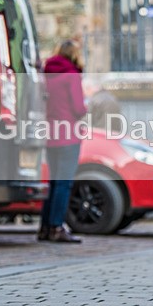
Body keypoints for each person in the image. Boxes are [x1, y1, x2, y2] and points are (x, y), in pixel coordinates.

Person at [39, 40, 86, 243]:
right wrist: (86, 108)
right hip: (68, 135)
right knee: (64, 183)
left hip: (50, 135)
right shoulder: (71, 75)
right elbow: (78, 108)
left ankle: (45, 228)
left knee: (53, 182)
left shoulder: (46, 76)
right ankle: (57, 227)